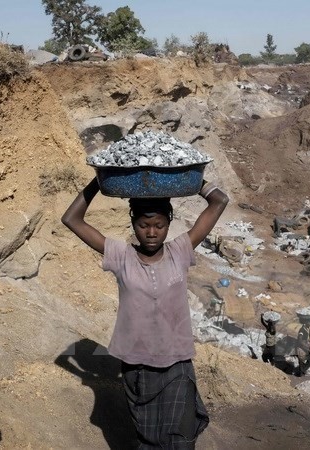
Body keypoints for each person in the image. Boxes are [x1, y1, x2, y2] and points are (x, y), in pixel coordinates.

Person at [61, 176, 229, 449]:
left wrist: (192, 177)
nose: (152, 232)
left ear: (169, 224)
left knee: (180, 437)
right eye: (144, 225)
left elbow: (219, 200)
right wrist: (99, 182)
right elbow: (72, 219)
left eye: (159, 225)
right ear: (133, 225)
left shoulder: (180, 252)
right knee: (149, 439)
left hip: (177, 364)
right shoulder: (120, 256)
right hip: (137, 366)